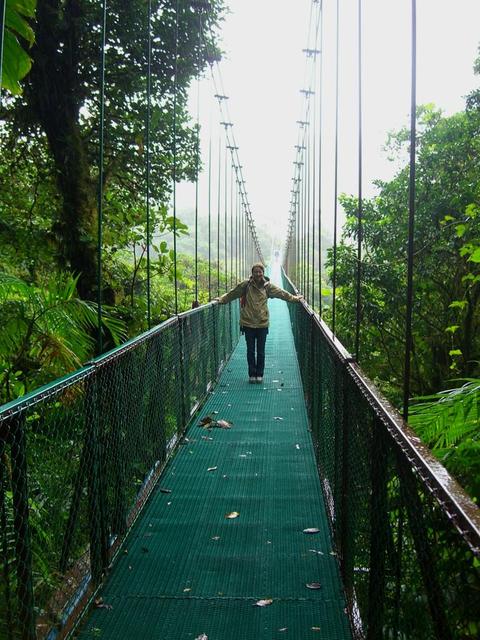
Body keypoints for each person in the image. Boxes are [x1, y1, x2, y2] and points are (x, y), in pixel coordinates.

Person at [216, 263, 302, 383]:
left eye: (260, 271)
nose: (258, 274)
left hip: (262, 323)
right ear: (252, 273)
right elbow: (233, 293)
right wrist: (221, 300)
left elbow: (281, 293)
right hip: (248, 323)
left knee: (260, 351)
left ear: (263, 273)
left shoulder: (268, 287)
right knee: (250, 350)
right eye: (255, 272)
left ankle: (259, 374)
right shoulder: (245, 285)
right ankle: (252, 374)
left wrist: (294, 298)